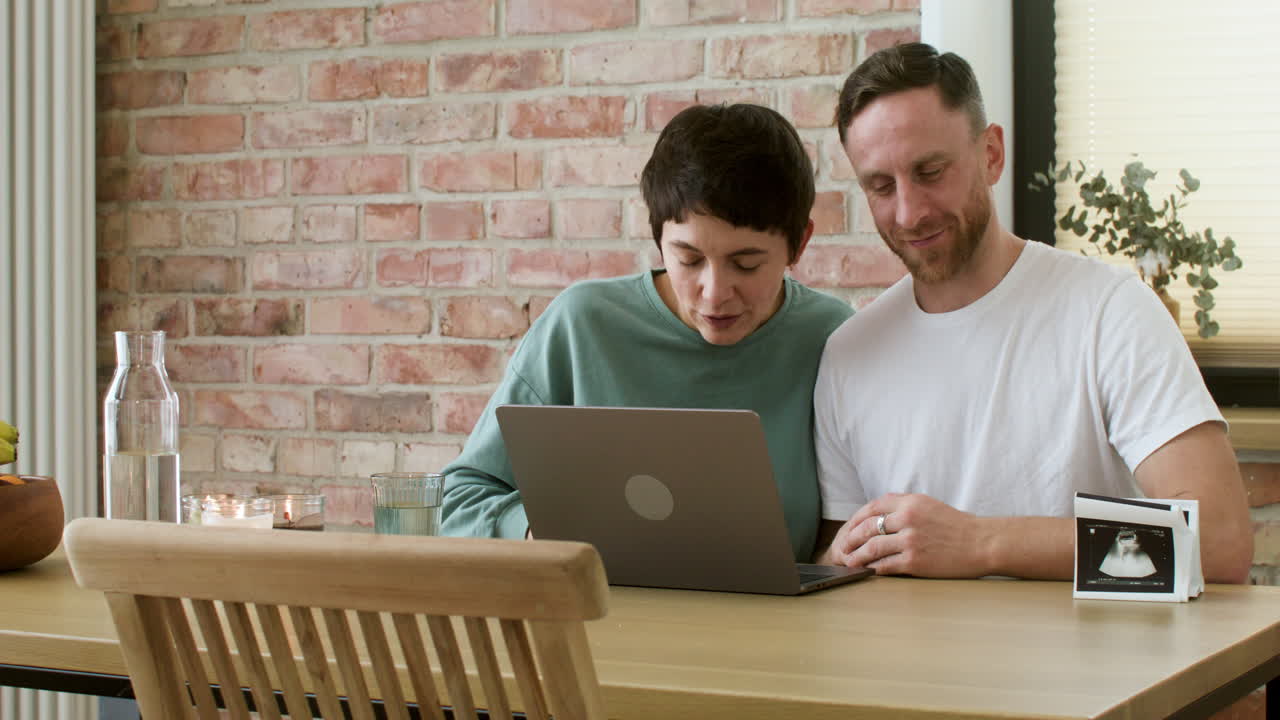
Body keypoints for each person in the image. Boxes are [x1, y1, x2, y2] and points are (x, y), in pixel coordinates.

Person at [813, 42, 1253, 582]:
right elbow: (837, 569)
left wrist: (984, 542)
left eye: (930, 171)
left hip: (1098, 666)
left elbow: (1221, 543)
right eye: (881, 186)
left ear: (991, 154)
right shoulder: (849, 353)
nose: (908, 212)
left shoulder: (1109, 310)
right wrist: (836, 562)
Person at [440, 103, 854, 562]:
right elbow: (459, 498)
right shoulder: (583, 326)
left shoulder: (832, 338)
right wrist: (540, 533)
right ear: (658, 239)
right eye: (689, 259)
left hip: (780, 629)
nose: (714, 293)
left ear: (800, 244)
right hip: (601, 626)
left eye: (746, 263)